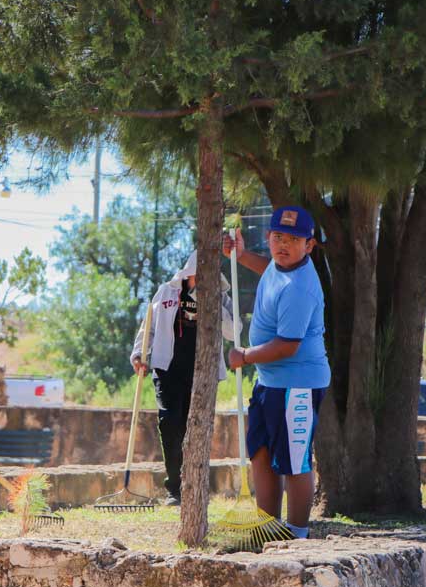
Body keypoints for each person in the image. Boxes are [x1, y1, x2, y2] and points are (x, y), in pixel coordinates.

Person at [223, 205, 331, 540]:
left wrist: (244, 355)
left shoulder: (300, 287)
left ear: (309, 245)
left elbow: (288, 345)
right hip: (270, 382)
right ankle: (267, 529)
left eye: (293, 239)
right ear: (269, 237)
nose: (283, 244)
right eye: (277, 236)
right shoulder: (282, 264)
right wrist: (242, 256)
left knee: (293, 460)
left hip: (298, 384)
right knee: (262, 453)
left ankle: (296, 532)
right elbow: (269, 267)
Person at [130, 251, 235, 505]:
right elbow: (149, 327)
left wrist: (214, 304)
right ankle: (174, 488)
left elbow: (234, 333)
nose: (201, 279)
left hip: (201, 374)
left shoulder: (221, 297)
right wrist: (138, 355)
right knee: (169, 422)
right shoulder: (166, 292)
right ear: (188, 272)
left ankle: (194, 485)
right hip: (167, 368)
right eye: (197, 274)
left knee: (194, 428)